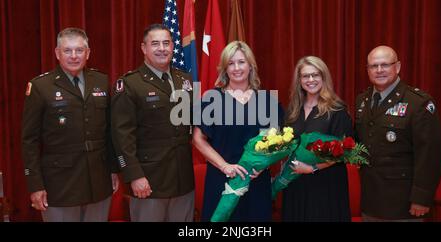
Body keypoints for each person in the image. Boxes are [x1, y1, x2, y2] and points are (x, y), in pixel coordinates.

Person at [21, 27, 119, 222]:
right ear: (57, 53)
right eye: (67, 50)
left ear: (88, 53)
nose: (74, 56)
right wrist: (35, 185)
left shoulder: (101, 80)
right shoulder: (41, 87)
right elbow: (29, 141)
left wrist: (113, 169)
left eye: (79, 50)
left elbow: (110, 131)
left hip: (97, 181)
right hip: (59, 184)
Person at [111, 24, 194, 222]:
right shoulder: (130, 84)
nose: (162, 48)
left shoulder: (185, 79)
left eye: (166, 43)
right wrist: (134, 176)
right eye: (155, 43)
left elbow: (189, 127)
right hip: (148, 181)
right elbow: (122, 136)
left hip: (183, 179)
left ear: (173, 47)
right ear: (143, 48)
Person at [192, 41, 283, 222]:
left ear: (251, 65)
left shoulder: (267, 101)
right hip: (222, 179)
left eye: (241, 62)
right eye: (230, 63)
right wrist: (225, 166)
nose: (236, 68)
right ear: (224, 69)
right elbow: (197, 139)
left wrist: (263, 164)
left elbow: (278, 141)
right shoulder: (212, 99)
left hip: (255, 181)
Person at [355, 45, 441, 221]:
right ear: (367, 70)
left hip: (403, 204)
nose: (379, 70)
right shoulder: (362, 100)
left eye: (385, 64)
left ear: (398, 67)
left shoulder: (418, 103)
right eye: (373, 66)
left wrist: (421, 198)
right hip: (371, 201)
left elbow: (430, 155)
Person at [281, 56, 352, 222]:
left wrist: (312, 168)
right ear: (299, 80)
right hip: (295, 184)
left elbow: (345, 151)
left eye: (315, 75)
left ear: (323, 77)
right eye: (305, 76)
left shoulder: (337, 110)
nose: (310, 80)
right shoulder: (292, 110)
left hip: (326, 187)